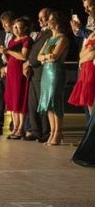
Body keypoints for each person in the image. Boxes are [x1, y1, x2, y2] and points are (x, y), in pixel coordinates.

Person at [37, 12, 68, 146]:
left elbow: (55, 56)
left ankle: (58, 132)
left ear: (57, 22)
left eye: (50, 20)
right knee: (48, 103)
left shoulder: (62, 38)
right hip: (46, 72)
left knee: (55, 101)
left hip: (55, 71)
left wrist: (46, 56)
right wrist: (45, 56)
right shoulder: (49, 39)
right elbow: (39, 56)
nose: (48, 22)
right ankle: (52, 132)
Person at [24, 9, 53, 143]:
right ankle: (36, 131)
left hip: (43, 71)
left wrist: (30, 62)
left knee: (43, 103)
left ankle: (46, 132)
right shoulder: (40, 33)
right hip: (33, 72)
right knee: (33, 103)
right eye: (39, 17)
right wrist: (27, 64)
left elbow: (44, 52)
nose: (40, 20)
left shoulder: (52, 33)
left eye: (44, 17)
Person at [1, 17, 31, 139]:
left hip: (19, 72)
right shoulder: (12, 41)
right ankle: (15, 127)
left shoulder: (26, 39)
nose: (16, 29)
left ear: (25, 28)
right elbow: (9, 59)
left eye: (19, 27)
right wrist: (4, 53)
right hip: (11, 72)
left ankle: (21, 128)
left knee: (19, 98)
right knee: (12, 99)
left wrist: (8, 51)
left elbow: (23, 56)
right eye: (15, 27)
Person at [68, 24, 95, 115]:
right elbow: (81, 54)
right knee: (89, 101)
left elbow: (93, 54)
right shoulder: (91, 35)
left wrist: (85, 56)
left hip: (92, 70)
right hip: (86, 70)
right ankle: (92, 126)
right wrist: (84, 58)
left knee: (93, 99)